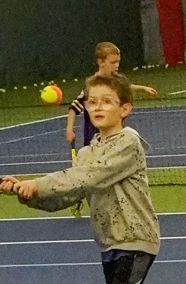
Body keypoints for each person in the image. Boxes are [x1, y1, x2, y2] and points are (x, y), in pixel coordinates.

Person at [2, 72, 163, 284]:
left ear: (125, 109)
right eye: (92, 101)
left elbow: (84, 178)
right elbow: (71, 193)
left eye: (107, 101)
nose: (97, 107)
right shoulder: (90, 151)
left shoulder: (127, 143)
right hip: (109, 243)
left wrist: (38, 182)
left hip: (137, 241)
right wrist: (27, 195)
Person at [65, 42, 158, 217]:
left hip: (113, 137)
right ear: (101, 62)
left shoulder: (114, 81)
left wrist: (143, 88)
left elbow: (124, 88)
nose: (116, 66)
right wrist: (70, 129)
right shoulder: (91, 88)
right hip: (95, 139)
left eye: (117, 62)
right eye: (113, 62)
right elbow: (73, 108)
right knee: (95, 177)